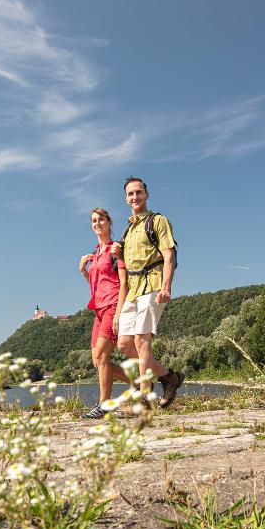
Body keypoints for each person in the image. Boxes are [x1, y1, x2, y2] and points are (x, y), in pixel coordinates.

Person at [114, 176, 185, 409]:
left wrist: (166, 286)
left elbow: (169, 255)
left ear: (147, 194)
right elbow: (124, 266)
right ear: (126, 199)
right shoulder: (128, 230)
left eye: (139, 192)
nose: (135, 197)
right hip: (133, 291)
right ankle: (169, 377)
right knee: (125, 344)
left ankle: (145, 395)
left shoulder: (157, 221)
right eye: (130, 194)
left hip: (153, 285)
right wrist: (118, 252)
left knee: (141, 340)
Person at [78, 207, 131, 419]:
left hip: (113, 305)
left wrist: (119, 313)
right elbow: (97, 285)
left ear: (109, 223)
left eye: (101, 220)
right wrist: (84, 271)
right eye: (93, 221)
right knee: (97, 361)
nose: (97, 223)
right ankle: (139, 383)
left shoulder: (115, 249)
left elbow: (124, 282)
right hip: (98, 309)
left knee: (102, 355)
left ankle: (104, 404)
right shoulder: (95, 253)